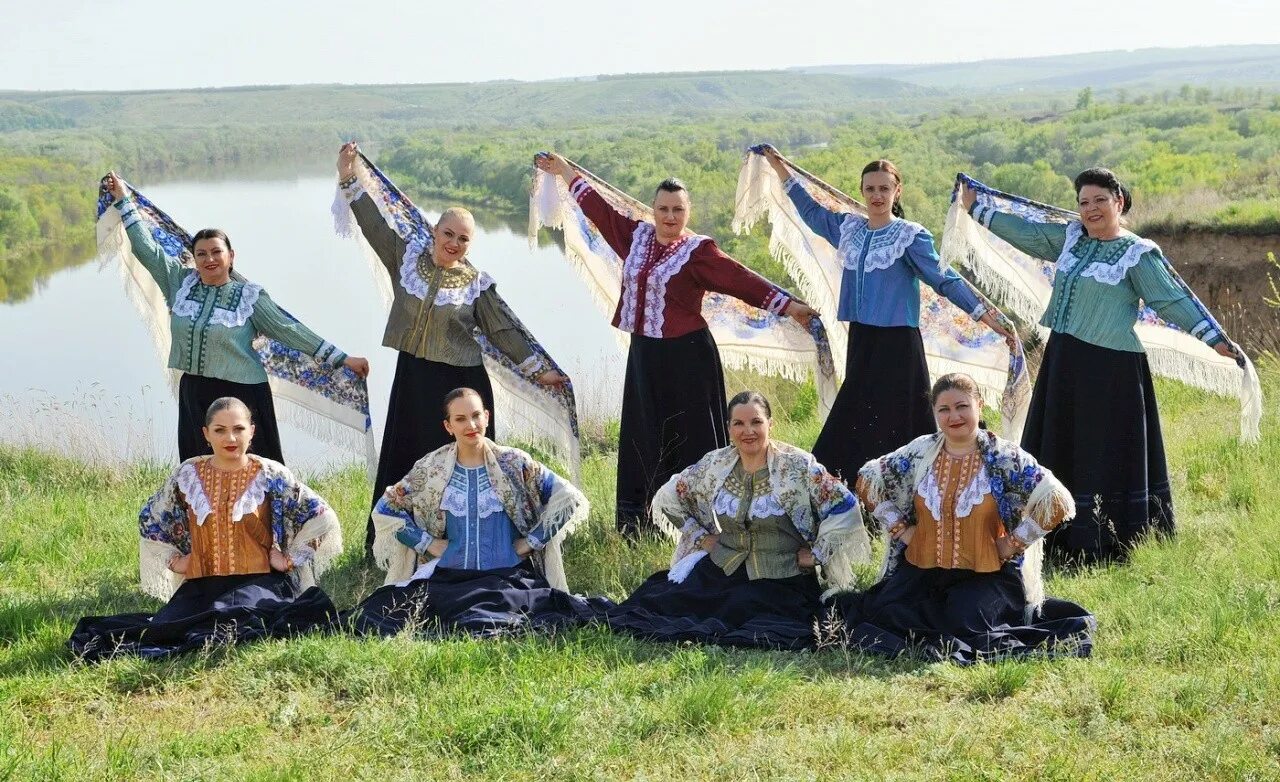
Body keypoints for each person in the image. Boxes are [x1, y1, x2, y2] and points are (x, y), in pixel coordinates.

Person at [960, 168, 1243, 563]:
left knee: (1099, 451)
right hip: (1064, 362)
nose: (1090, 209)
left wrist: (1215, 339)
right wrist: (979, 210)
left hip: (1111, 371)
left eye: (1099, 200)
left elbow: (1171, 299)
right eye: (1083, 202)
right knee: (1060, 443)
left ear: (1119, 203)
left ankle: (1104, 540)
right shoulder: (1071, 238)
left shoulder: (1138, 253)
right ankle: (1050, 535)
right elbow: (1028, 234)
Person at [535, 152, 817, 537]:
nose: (670, 217)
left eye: (678, 210)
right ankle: (642, 524)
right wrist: (565, 171)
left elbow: (740, 279)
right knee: (645, 434)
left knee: (691, 440)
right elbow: (598, 210)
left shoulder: (698, 251)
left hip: (688, 358)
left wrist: (789, 306)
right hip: (645, 356)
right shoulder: (634, 238)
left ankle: (703, 523)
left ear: (688, 212)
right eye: (664, 209)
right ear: (653, 209)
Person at [335, 144, 569, 553]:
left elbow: (503, 332)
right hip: (413, 378)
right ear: (435, 232)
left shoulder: (476, 283)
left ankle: (469, 543)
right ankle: (398, 545)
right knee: (407, 459)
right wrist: (348, 177)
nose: (455, 243)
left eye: (463, 239)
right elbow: (373, 224)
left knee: (460, 464)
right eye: (449, 234)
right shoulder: (405, 256)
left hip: (459, 384)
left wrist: (538, 370)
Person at [757, 146, 1015, 484]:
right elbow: (811, 211)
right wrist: (779, 168)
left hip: (898, 343)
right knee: (858, 415)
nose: (877, 195)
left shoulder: (910, 236)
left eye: (884, 188)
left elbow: (944, 280)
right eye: (870, 188)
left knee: (902, 420)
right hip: (863, 339)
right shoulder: (849, 228)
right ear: (862, 191)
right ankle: (854, 490)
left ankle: (922, 487)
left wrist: (989, 317)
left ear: (897, 191)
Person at [103, 172, 369, 464]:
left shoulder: (249, 297)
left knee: (252, 472)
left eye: (216, 252)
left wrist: (343, 358)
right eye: (201, 254)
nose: (209, 259)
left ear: (231, 256)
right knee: (199, 470)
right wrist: (124, 201)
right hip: (195, 393)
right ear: (194, 258)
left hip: (243, 395)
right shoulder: (180, 283)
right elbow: (147, 250)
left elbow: (290, 331)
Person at [831, 373, 1095, 663]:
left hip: (985, 576)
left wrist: (1013, 543)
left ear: (979, 406)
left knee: (968, 624)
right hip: (922, 573)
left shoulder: (1004, 456)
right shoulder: (920, 452)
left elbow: (1056, 499)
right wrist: (902, 530)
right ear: (934, 413)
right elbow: (869, 479)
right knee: (888, 615)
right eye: (943, 409)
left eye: (962, 406)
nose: (953, 416)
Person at [69, 398, 342, 661]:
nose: (230, 439)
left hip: (258, 583)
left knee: (254, 624)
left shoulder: (271, 474)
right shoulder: (187, 474)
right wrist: (175, 561)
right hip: (202, 586)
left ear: (252, 432)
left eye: (238, 429)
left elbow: (321, 516)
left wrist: (289, 559)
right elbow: (150, 519)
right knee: (169, 632)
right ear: (206, 434)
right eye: (220, 430)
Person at [605, 391, 869, 650]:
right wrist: (700, 537)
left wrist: (817, 555)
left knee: (749, 612)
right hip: (722, 567)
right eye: (739, 423)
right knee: (662, 604)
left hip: (780, 577)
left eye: (756, 422)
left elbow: (843, 506)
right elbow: (670, 496)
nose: (748, 431)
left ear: (770, 424)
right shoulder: (716, 463)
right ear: (729, 428)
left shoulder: (797, 466)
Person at [346, 388, 610, 636]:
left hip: (505, 577)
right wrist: (428, 543)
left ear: (486, 417)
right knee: (378, 614)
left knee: (493, 617)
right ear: (448, 426)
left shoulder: (513, 462)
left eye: (475, 416)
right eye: (460, 419)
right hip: (449, 578)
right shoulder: (431, 468)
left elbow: (569, 498)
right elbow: (385, 510)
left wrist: (531, 542)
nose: (470, 426)